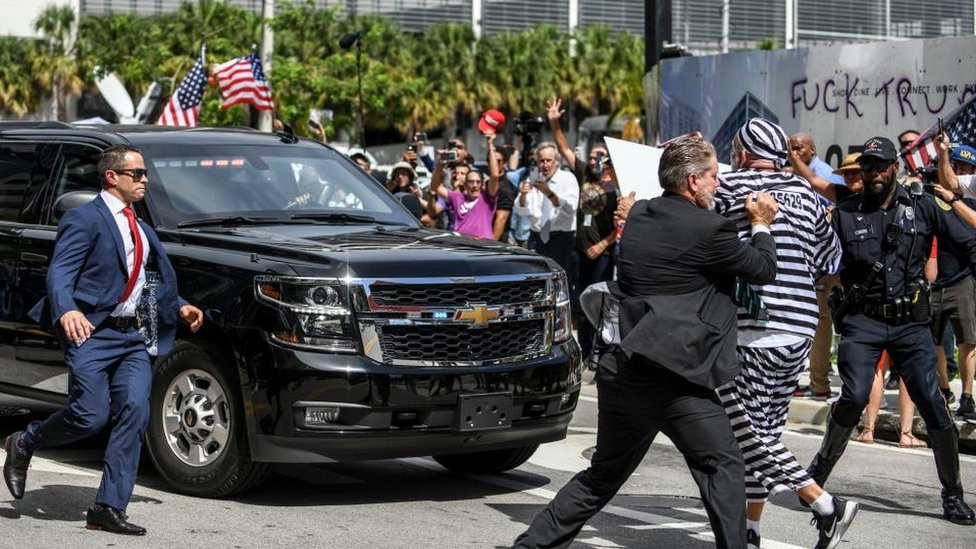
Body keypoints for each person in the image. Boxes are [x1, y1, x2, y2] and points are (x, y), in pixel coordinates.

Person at [513, 136, 780, 549]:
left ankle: (532, 545)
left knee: (601, 476)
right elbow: (762, 268)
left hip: (624, 369)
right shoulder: (711, 228)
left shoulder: (637, 216)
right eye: (713, 176)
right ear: (693, 181)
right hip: (675, 377)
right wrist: (761, 222)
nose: (719, 184)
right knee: (723, 465)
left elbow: (653, 222)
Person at [3, 146, 204, 535]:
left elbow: (145, 280)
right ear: (113, 176)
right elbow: (60, 271)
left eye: (145, 172)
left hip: (132, 337)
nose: (145, 178)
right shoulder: (84, 219)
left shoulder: (141, 227)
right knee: (90, 415)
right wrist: (67, 310)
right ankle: (26, 441)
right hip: (92, 332)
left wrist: (179, 306)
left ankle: (108, 507)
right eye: (138, 172)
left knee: (135, 410)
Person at [805, 136, 976, 526]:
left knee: (933, 404)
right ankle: (817, 477)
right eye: (867, 166)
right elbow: (818, 259)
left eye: (880, 165)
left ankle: (953, 496)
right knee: (853, 397)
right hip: (863, 323)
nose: (874, 172)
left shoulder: (923, 208)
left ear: (894, 167)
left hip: (910, 325)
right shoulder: (844, 214)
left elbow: (968, 242)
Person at [713, 118, 853, 549]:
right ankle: (752, 531)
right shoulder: (808, 195)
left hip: (751, 329)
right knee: (766, 434)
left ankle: (825, 503)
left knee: (743, 433)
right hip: (799, 329)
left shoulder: (729, 187)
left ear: (739, 153)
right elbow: (831, 259)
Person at [547, 97, 619, 364]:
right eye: (591, 156)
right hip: (581, 250)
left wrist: (603, 244)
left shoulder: (616, 184)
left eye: (599, 157)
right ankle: (584, 348)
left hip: (602, 251)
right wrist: (555, 121)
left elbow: (620, 223)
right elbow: (564, 148)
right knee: (581, 300)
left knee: (600, 302)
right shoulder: (585, 174)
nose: (593, 160)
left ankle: (597, 352)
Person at [795, 152, 864, 399]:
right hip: (829, 272)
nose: (850, 177)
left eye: (856, 171)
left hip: (856, 276)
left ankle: (852, 390)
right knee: (821, 327)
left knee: (853, 332)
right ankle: (820, 385)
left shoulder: (877, 200)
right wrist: (794, 159)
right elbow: (813, 179)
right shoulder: (842, 195)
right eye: (846, 173)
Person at [513, 142, 579, 284]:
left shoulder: (568, 179)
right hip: (536, 239)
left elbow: (570, 209)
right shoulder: (533, 178)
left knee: (560, 281)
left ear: (557, 162)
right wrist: (523, 195)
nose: (545, 165)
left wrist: (549, 193)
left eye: (548, 160)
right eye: (541, 161)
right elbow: (521, 209)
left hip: (560, 239)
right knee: (536, 280)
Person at [428, 133, 500, 239]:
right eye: (471, 182)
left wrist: (490, 145)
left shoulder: (487, 199)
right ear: (465, 184)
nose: (475, 185)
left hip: (483, 247)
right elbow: (435, 187)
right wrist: (441, 162)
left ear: (483, 184)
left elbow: (494, 175)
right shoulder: (458, 198)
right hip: (461, 246)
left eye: (478, 182)